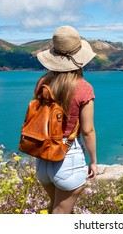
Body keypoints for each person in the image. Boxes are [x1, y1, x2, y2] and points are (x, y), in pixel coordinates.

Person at [34, 25, 98, 214]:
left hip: (43, 156)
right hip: (67, 157)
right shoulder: (83, 87)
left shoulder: (42, 83)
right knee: (61, 214)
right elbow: (87, 131)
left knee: (54, 208)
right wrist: (93, 161)